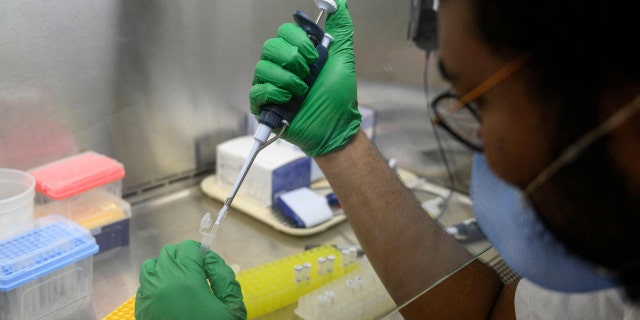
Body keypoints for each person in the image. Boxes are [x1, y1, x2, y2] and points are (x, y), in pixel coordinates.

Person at [135, 0, 640, 318]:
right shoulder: (613, 276)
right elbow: (485, 316)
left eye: (479, 102)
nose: (488, 151)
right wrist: (339, 141)